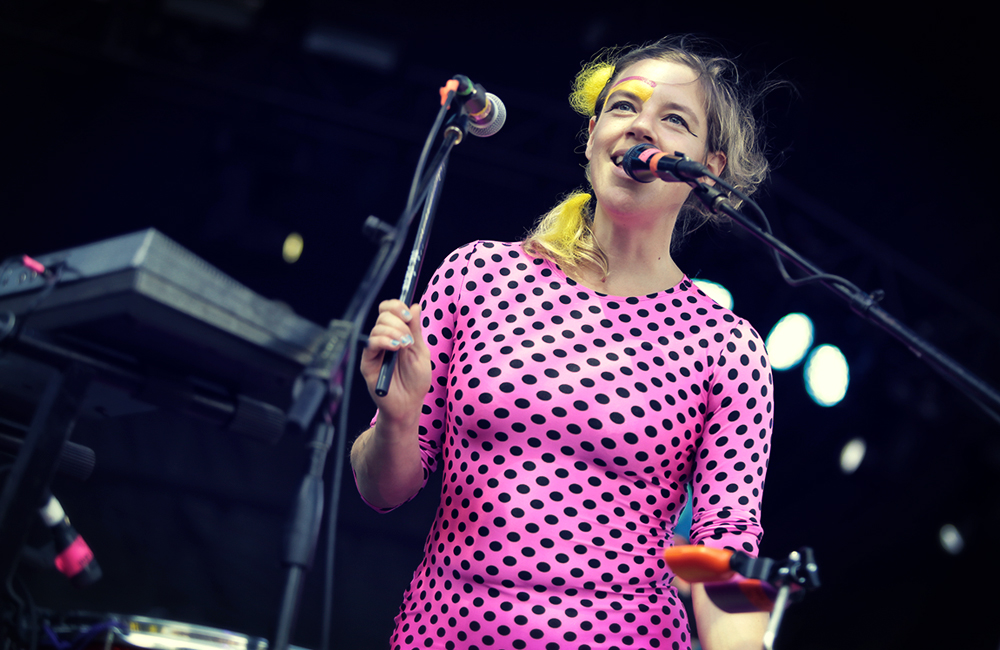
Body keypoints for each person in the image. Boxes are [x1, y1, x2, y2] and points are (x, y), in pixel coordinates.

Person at [352, 35, 774, 650]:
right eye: (623, 107)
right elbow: (380, 491)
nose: (641, 127)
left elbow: (723, 552)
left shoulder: (727, 348)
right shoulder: (479, 276)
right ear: (594, 134)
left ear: (709, 169)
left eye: (674, 119)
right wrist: (397, 416)